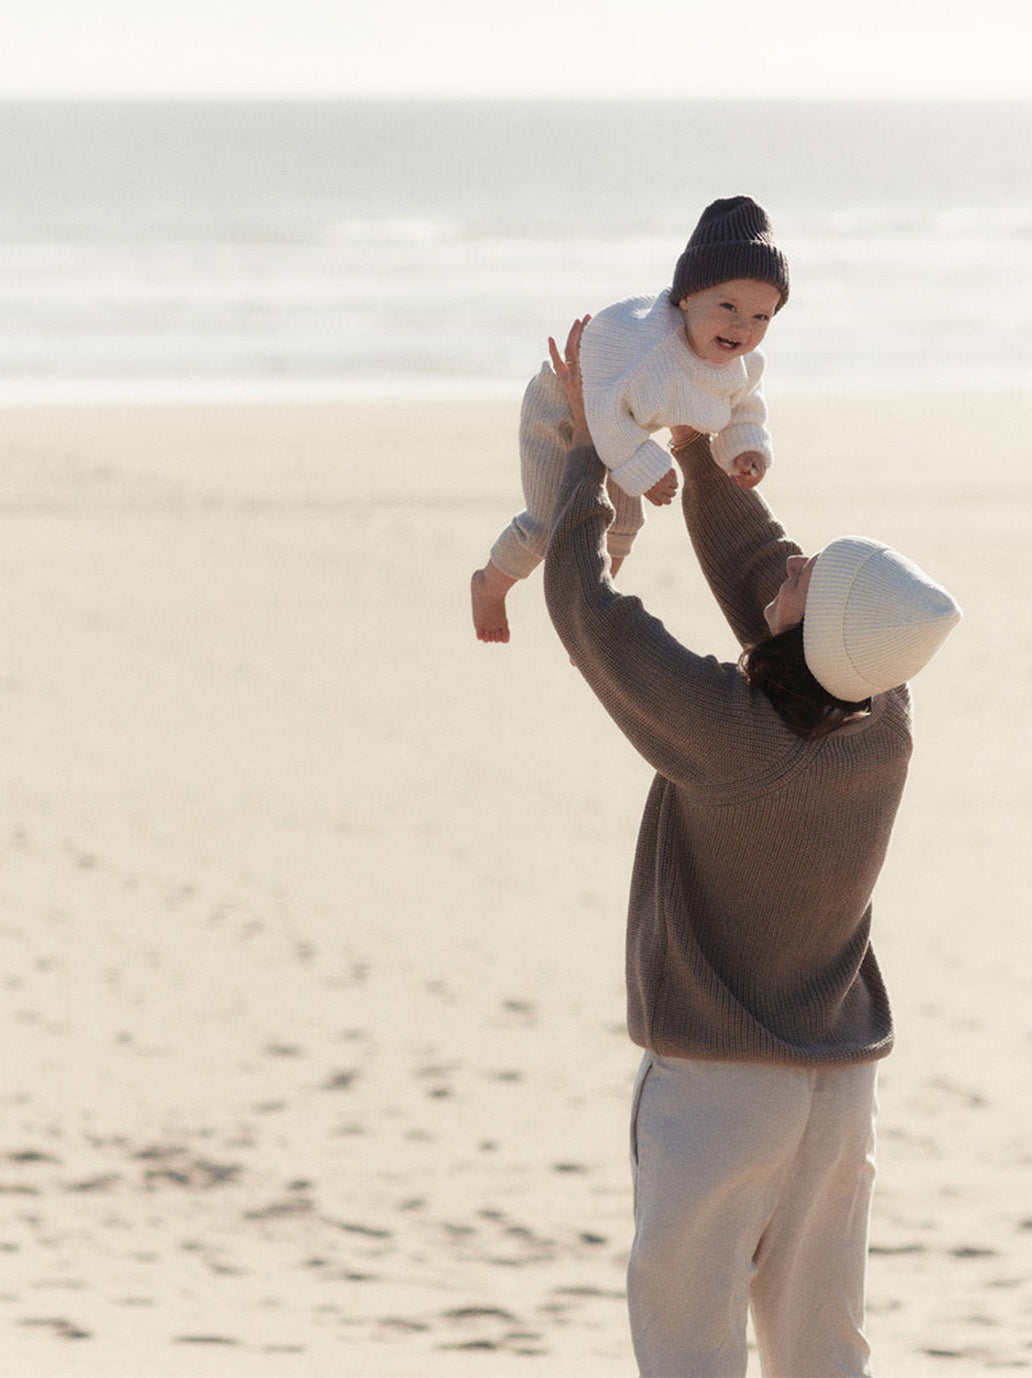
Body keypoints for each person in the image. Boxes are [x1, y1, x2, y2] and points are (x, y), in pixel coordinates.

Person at [541, 317, 961, 1377]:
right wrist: (690, 440)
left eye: (815, 574)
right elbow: (763, 570)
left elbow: (586, 611)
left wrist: (591, 454)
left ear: (810, 635)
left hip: (721, 1089)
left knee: (688, 1345)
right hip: (838, 1086)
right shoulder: (882, 716)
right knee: (823, 1344)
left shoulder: (732, 737)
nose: (799, 557)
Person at [471, 195, 790, 643]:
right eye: (729, 307)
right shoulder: (647, 352)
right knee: (547, 525)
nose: (743, 327)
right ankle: (488, 585)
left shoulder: (741, 361)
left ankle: (594, 617)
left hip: (623, 426)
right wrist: (646, 467)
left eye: (762, 316)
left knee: (624, 524)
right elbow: (600, 409)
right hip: (564, 408)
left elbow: (744, 404)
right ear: (688, 297)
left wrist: (747, 448)